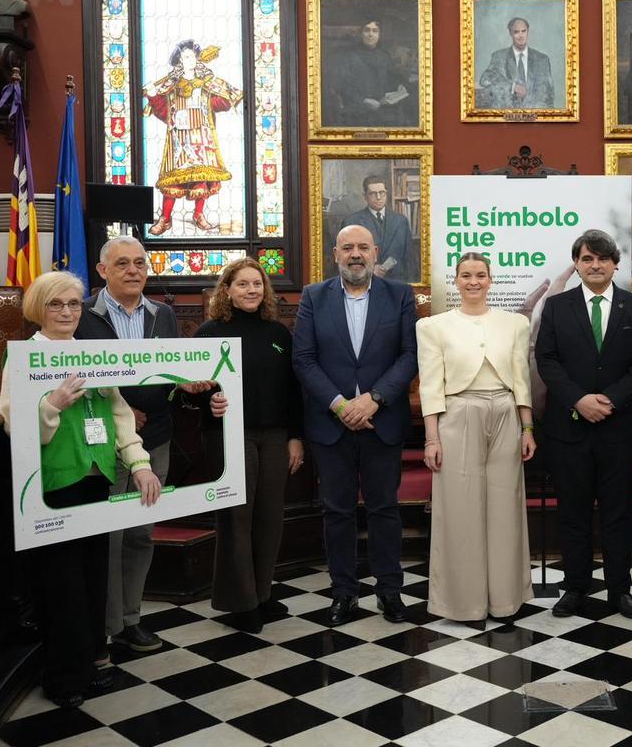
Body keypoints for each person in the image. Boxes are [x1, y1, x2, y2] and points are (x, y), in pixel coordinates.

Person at [0, 271, 160, 708]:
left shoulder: (93, 353)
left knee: (93, 578)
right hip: (53, 485)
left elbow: (119, 414)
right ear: (39, 309)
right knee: (60, 584)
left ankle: (89, 666)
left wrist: (140, 463)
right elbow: (16, 424)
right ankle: (64, 677)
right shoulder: (26, 357)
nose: (67, 312)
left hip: (96, 478)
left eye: (73, 303)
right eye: (57, 304)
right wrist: (52, 405)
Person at [293, 224, 418, 625]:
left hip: (383, 421)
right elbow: (304, 360)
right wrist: (340, 405)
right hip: (332, 425)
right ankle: (344, 593)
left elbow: (409, 356)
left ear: (376, 251)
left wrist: (374, 400)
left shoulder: (399, 296)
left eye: (363, 247)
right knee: (337, 512)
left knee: (385, 509)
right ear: (336, 255)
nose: (356, 254)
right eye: (348, 248)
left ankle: (389, 591)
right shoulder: (313, 297)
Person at [536, 230, 632, 619]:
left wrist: (611, 400)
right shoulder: (556, 307)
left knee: (617, 512)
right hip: (568, 429)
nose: (595, 265)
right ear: (576, 264)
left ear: (615, 264)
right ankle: (576, 587)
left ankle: (620, 591)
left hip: (618, 429)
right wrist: (578, 399)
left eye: (603, 259)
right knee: (572, 512)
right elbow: (547, 361)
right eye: (587, 259)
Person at [75, 236, 180, 656]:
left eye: (140, 263)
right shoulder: (80, 317)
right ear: (102, 271)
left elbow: (172, 371)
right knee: (109, 537)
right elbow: (68, 379)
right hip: (105, 443)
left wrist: (185, 393)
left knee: (140, 534)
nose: (133, 271)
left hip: (156, 438)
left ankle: (131, 621)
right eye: (122, 264)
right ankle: (104, 625)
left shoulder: (164, 315)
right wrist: (122, 413)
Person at [418, 253, 535, 621]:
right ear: (456, 280)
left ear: (490, 279)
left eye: (480, 275)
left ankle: (505, 600)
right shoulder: (434, 327)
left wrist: (527, 427)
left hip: (505, 414)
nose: (473, 281)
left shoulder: (515, 323)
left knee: (505, 508)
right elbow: (431, 386)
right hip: (458, 414)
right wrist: (432, 439)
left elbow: (521, 380)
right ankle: (462, 604)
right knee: (459, 511)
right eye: (466, 275)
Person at [197, 258, 305, 633]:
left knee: (270, 517)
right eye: (242, 284)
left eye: (257, 284)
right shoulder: (210, 333)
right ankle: (240, 603)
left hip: (275, 435)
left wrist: (295, 436)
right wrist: (206, 402)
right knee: (236, 519)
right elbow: (194, 388)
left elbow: (293, 389)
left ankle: (262, 594)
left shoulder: (278, 332)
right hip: (229, 434)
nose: (251, 291)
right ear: (227, 290)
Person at [142, 39, 244, 235]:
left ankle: (199, 215)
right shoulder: (171, 87)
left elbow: (218, 103)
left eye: (191, 56)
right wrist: (154, 96)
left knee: (202, 177)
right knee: (172, 179)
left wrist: (225, 95)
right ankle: (165, 218)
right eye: (184, 57)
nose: (188, 60)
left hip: (201, 136)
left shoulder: (207, 83)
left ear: (197, 58)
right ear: (180, 60)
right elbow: (163, 112)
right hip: (179, 138)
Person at [333, 19, 412, 128]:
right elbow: (341, 86)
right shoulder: (348, 56)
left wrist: (399, 87)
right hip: (357, 110)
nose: (371, 34)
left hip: (382, 109)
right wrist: (363, 101)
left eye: (375, 31)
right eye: (367, 30)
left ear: (379, 35)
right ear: (361, 33)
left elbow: (391, 79)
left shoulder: (385, 56)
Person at [345, 175, 416, 283]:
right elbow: (344, 260)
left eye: (382, 192)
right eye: (373, 194)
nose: (378, 197)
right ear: (365, 196)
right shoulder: (351, 222)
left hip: (397, 286)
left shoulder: (401, 221)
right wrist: (369, 270)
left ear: (386, 193)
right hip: (365, 285)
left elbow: (410, 261)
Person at [479, 17, 555, 110]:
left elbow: (548, 97)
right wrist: (512, 86)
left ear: (528, 32)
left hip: (534, 118)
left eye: (523, 31)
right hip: (507, 118)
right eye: (516, 32)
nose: (521, 36)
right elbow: (485, 79)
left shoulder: (542, 60)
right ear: (510, 33)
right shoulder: (499, 56)